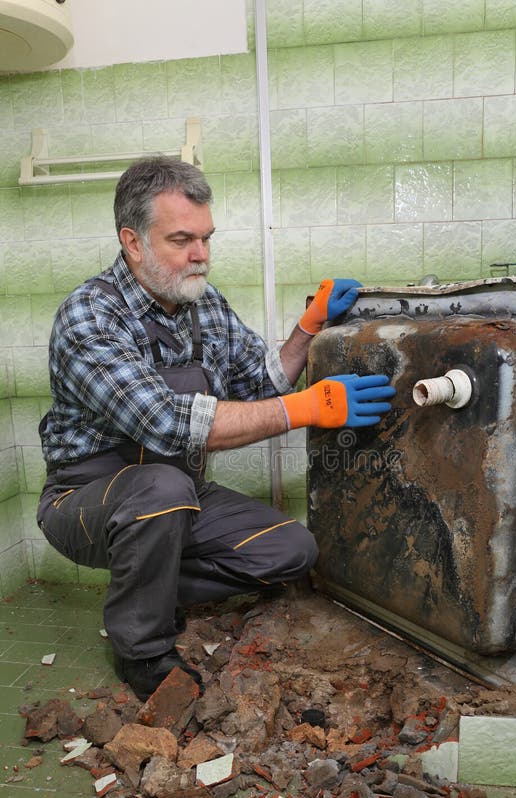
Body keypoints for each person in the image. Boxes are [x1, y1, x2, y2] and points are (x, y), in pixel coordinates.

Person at [37, 156, 395, 701]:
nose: (200, 255)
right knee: (162, 485)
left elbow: (263, 380)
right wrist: (310, 407)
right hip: (84, 499)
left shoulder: (204, 304)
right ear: (133, 243)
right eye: (182, 239)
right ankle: (143, 651)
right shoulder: (89, 317)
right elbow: (163, 422)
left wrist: (308, 327)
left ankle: (148, 588)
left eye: (205, 238)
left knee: (294, 549)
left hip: (179, 492)